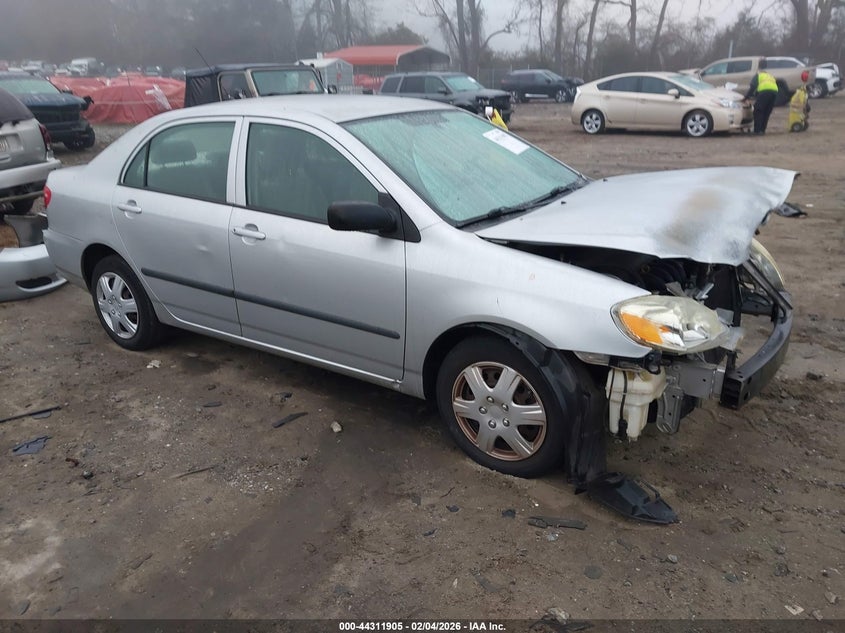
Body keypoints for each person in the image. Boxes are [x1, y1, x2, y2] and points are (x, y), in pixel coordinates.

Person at [744, 58, 779, 134]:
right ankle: (762, 130)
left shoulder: (758, 75)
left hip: (765, 92)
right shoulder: (769, 75)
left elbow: (752, 88)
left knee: (758, 110)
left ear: (758, 66)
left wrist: (746, 97)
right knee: (766, 111)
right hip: (774, 92)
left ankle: (757, 131)